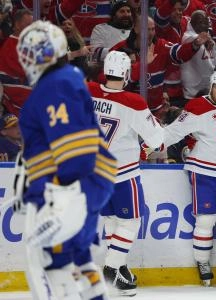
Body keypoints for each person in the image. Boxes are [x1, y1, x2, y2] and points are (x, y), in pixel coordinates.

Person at [16, 20, 117, 299]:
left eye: (34, 51)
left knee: (55, 263)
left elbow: (76, 152)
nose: (28, 58)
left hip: (74, 184)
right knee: (78, 257)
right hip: (82, 182)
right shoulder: (62, 81)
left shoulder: (56, 85)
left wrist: (61, 194)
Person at [162, 69, 216, 287]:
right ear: (211, 86)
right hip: (204, 171)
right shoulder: (196, 107)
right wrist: (149, 144)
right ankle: (203, 263)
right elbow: (173, 132)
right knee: (206, 220)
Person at [88, 50, 164, 296]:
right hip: (122, 173)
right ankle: (110, 270)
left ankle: (120, 273)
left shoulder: (87, 91)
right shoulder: (133, 102)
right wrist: (146, 147)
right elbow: (157, 138)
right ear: (127, 73)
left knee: (111, 221)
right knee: (132, 222)